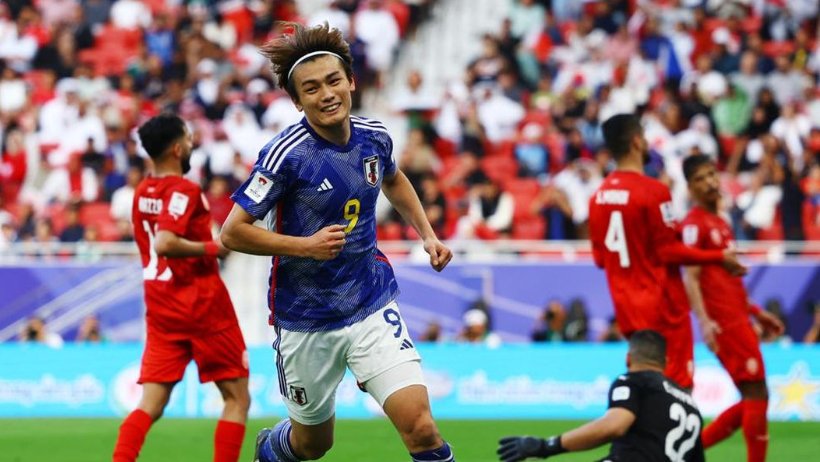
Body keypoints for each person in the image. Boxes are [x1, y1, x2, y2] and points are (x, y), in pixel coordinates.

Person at [219, 23, 455, 462]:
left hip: (370, 301)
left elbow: (394, 178)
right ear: (297, 101)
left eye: (333, 81)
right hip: (305, 317)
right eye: (311, 88)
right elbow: (231, 232)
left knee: (422, 429)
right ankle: (271, 448)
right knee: (313, 445)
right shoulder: (285, 156)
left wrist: (428, 235)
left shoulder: (374, 137)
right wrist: (304, 246)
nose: (326, 94)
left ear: (351, 81)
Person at [112, 114, 250, 462]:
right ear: (176, 149)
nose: (191, 145)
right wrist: (213, 248)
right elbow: (165, 242)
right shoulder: (184, 190)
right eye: (188, 139)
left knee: (151, 403)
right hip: (202, 304)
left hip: (162, 308)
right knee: (236, 398)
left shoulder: (142, 191)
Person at [588, 114, 747, 390]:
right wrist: (719, 257)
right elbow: (668, 251)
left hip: (628, 311)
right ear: (636, 142)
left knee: (642, 388)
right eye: (644, 137)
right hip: (663, 308)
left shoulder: (597, 197)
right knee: (678, 390)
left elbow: (600, 259)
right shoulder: (654, 191)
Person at [680, 154, 785, 462]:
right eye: (700, 179)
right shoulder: (694, 224)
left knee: (756, 396)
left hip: (739, 317)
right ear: (690, 188)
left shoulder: (721, 222)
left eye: (711, 174)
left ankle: (685, 452)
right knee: (755, 392)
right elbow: (691, 277)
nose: (709, 182)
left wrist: (757, 312)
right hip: (723, 321)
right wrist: (705, 322)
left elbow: (727, 282)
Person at [497, 330, 704, 462]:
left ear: (628, 358)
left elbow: (615, 425)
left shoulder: (633, 381)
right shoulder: (692, 406)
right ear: (665, 363)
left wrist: (547, 446)